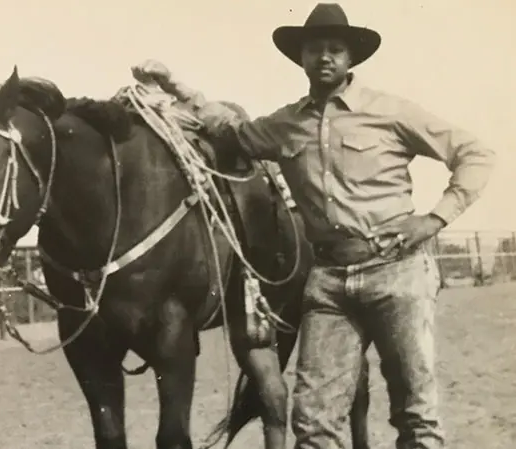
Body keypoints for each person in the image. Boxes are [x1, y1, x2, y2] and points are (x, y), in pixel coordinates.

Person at [133, 3, 495, 449]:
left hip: (396, 273)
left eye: (335, 49)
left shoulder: (392, 111)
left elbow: (476, 154)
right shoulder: (287, 125)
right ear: (301, 58)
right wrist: (175, 86)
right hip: (328, 284)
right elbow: (230, 130)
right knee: (314, 421)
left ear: (350, 59)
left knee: (415, 409)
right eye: (314, 49)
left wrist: (436, 218)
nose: (325, 57)